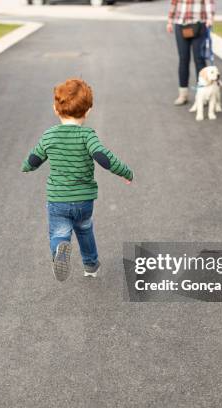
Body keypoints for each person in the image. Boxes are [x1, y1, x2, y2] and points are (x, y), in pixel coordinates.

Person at [22, 78, 133, 282]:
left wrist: (27, 167)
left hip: (58, 200)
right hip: (84, 200)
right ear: (88, 111)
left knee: (59, 232)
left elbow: (34, 159)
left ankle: (59, 250)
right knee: (84, 228)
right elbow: (103, 157)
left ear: (56, 109)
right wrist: (125, 172)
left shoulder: (49, 136)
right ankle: (90, 265)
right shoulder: (87, 136)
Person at [166, 0, 216, 105]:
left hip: (198, 25)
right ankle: (183, 94)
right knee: (183, 59)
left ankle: (203, 95)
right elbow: (174, 3)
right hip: (181, 25)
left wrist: (210, 18)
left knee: (199, 60)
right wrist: (170, 21)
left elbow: (209, 3)